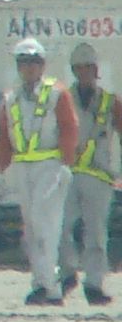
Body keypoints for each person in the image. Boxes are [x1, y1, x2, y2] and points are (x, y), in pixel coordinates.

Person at [0, 37, 78, 306]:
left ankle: (50, 286)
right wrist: (1, 167)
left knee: (46, 226)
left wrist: (66, 162)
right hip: (24, 168)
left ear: (43, 65)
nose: (29, 67)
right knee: (31, 229)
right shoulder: (10, 98)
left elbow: (68, 127)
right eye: (24, 62)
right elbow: (4, 135)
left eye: (34, 62)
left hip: (50, 166)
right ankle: (41, 282)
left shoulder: (56, 93)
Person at [61, 44, 116, 307]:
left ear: (96, 70)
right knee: (61, 228)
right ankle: (67, 273)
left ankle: (94, 283)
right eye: (79, 68)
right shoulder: (63, 100)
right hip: (68, 174)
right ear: (74, 71)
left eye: (88, 68)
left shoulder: (110, 102)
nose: (84, 73)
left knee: (95, 233)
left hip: (98, 176)